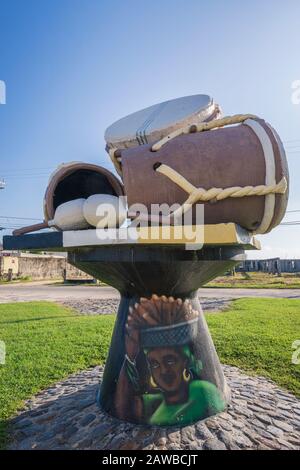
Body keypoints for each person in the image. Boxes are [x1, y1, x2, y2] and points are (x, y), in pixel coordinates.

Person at [114, 295, 225, 425]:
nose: (164, 370)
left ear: (185, 361)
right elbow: (122, 408)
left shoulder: (202, 390)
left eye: (170, 361)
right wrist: (130, 357)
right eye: (154, 364)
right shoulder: (155, 402)